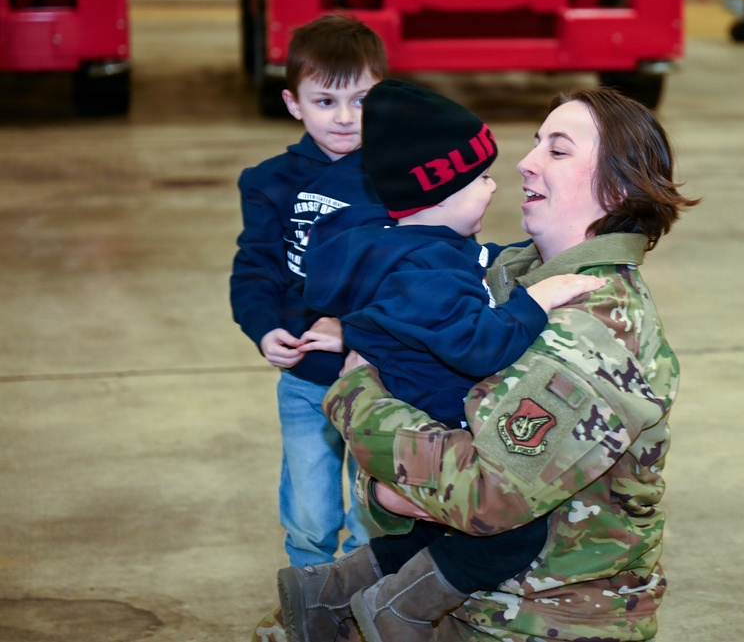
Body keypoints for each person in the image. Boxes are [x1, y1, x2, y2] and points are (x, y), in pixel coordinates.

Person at [278, 83, 701, 642]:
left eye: (557, 149)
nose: (524, 164)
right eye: (534, 143)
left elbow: (482, 498)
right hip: (469, 598)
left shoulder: (594, 327)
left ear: (617, 188)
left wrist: (356, 392)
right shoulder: (504, 275)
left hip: (531, 621)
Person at [229, 14, 387, 577]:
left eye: (362, 100)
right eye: (326, 102)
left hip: (384, 375)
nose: (345, 118)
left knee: (379, 509)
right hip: (305, 379)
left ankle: (369, 605)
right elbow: (255, 267)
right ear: (294, 103)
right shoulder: (270, 181)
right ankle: (310, 601)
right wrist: (263, 327)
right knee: (311, 510)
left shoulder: (401, 180)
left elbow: (430, 271)